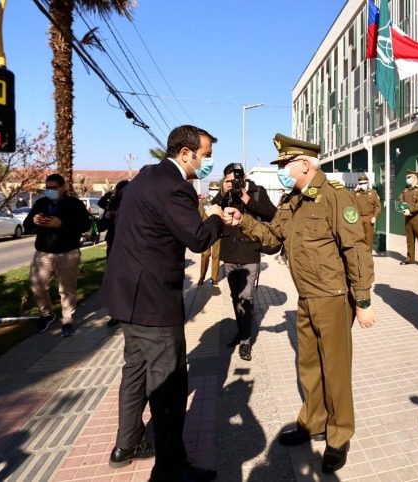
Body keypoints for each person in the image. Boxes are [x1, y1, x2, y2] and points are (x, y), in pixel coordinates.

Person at [102, 125, 237, 482]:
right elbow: (196, 238)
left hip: (127, 297)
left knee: (134, 372)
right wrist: (217, 219)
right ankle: (172, 467)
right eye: (206, 156)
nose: (208, 162)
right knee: (169, 386)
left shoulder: (147, 177)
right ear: (185, 153)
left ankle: (126, 445)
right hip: (152, 302)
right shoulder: (173, 186)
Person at [234, 133, 375, 473]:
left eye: (285, 164)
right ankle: (313, 422)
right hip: (306, 297)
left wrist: (363, 299)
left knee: (336, 371)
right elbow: (272, 240)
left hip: (332, 297)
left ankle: (339, 435)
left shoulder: (334, 197)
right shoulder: (291, 201)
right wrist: (245, 221)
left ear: (306, 164)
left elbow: (355, 249)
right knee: (308, 366)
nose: (282, 169)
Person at [212, 162, 277, 361]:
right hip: (230, 252)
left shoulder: (257, 191)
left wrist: (245, 198)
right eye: (230, 180)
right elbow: (213, 209)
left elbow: (272, 213)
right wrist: (223, 193)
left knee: (246, 297)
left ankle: (246, 341)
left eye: (237, 179)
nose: (235, 183)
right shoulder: (225, 194)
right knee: (235, 295)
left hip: (250, 251)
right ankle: (241, 331)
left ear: (244, 177)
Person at [23, 173, 92, 337]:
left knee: (67, 290)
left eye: (54, 187)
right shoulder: (41, 203)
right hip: (44, 253)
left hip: (68, 253)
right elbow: (26, 225)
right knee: (37, 286)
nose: (50, 191)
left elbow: (85, 225)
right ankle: (46, 315)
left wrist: (62, 224)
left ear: (63, 187)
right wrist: (34, 221)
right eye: (47, 188)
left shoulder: (74, 204)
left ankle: (67, 319)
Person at [398, 169, 418, 266]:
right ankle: (410, 258)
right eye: (407, 177)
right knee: (409, 240)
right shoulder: (406, 189)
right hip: (408, 218)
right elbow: (400, 200)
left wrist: (409, 210)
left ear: (415, 177)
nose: (407, 179)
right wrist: (403, 209)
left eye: (409, 177)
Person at [197, 181, 222, 286]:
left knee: (216, 254)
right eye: (212, 189)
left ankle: (214, 278)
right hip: (205, 231)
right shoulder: (203, 202)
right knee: (205, 254)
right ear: (209, 189)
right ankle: (202, 276)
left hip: (217, 231)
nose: (214, 192)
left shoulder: (221, 201)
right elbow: (199, 217)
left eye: (216, 190)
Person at [97, 179, 130, 258]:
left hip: (126, 241)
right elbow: (101, 203)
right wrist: (109, 194)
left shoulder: (130, 202)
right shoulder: (113, 203)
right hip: (113, 239)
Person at [353, 173, 381, 249]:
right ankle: (361, 256)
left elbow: (378, 206)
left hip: (369, 218)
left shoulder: (373, 193)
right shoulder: (355, 194)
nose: (363, 184)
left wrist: (375, 217)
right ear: (358, 184)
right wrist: (354, 191)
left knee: (369, 239)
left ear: (367, 182)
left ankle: (368, 257)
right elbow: (348, 201)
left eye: (365, 183)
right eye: (361, 183)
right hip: (358, 219)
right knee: (359, 238)